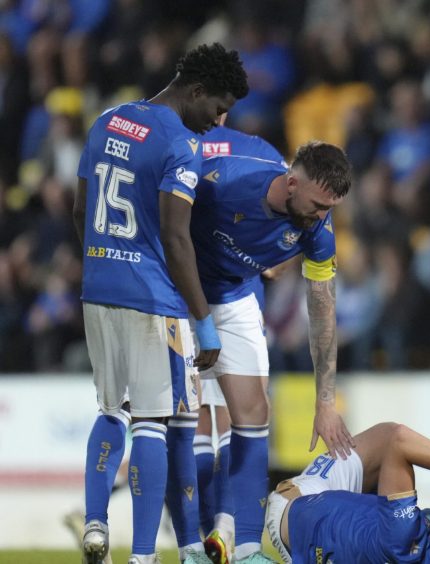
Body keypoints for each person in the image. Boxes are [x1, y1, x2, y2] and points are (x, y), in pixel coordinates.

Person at [72, 43, 248, 564]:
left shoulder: (107, 119)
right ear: (194, 91)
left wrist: (101, 265)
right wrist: (204, 321)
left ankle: (96, 521)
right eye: (217, 107)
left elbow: (82, 208)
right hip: (152, 298)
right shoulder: (180, 145)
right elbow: (176, 237)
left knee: (110, 409)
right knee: (152, 419)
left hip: (97, 288)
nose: (218, 121)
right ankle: (144, 556)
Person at [188, 137, 354, 563]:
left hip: (236, 297)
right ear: (292, 183)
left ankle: (245, 550)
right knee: (185, 425)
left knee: (255, 416)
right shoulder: (224, 180)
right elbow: (168, 219)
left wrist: (325, 400)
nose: (323, 217)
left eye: (330, 208)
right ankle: (188, 545)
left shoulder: (317, 229)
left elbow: (323, 310)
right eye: (319, 205)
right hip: (180, 295)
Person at [189, 122, 286, 555]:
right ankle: (230, 530)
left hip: (184, 294)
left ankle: (201, 534)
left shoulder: (178, 143)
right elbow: (296, 221)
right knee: (239, 419)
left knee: (194, 423)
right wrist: (267, 256)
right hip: (239, 301)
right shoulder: (257, 150)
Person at [264, 422, 430, 564]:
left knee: (387, 437)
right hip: (326, 548)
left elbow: (399, 440)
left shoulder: (402, 537)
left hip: (291, 510)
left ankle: (247, 550)